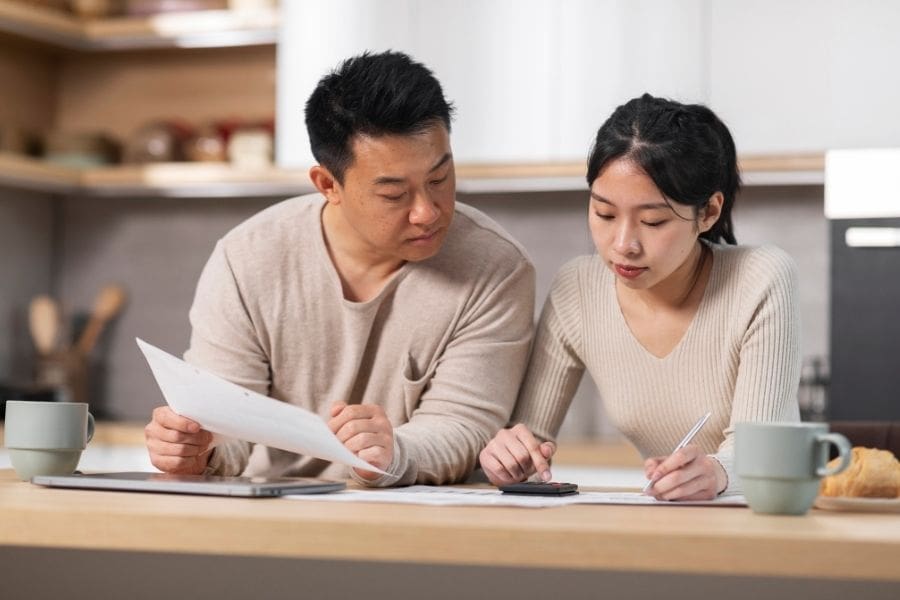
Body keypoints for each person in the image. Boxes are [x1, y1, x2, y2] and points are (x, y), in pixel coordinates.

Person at [143, 51, 535, 486]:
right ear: (328, 185)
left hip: (420, 520)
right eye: (394, 194)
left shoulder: (496, 267)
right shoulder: (247, 258)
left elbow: (464, 423)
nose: (427, 212)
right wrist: (197, 447)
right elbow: (226, 418)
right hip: (275, 512)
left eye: (439, 180)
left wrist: (394, 455)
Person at [479, 94, 800, 500]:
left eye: (653, 221)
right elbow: (531, 439)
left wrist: (717, 472)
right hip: (674, 518)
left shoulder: (761, 278)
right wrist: (510, 458)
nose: (623, 244)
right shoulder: (577, 288)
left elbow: (762, 454)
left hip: (773, 520)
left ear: (709, 212)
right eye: (604, 214)